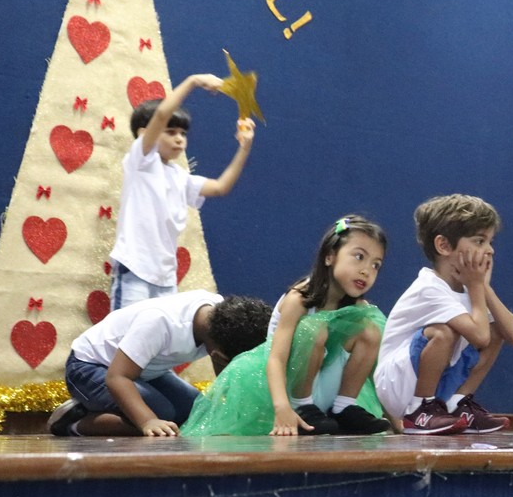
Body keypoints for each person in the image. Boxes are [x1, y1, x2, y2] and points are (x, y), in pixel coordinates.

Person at [181, 216, 391, 437]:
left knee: (370, 330)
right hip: (285, 389)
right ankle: (303, 407)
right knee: (314, 328)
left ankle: (343, 408)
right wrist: (282, 408)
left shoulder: (359, 308)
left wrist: (397, 418)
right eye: (359, 257)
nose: (366, 270)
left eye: (376, 265)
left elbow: (376, 369)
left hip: (327, 387)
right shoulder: (299, 299)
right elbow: (276, 358)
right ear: (329, 256)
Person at [374, 194, 513, 434]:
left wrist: (484, 288)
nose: (490, 250)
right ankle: (419, 411)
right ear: (444, 246)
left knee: (497, 330)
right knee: (443, 331)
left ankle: (457, 404)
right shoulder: (429, 288)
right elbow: (479, 337)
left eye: (490, 241)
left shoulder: (468, 288)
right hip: (396, 385)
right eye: (480, 241)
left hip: (431, 381)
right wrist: (476, 287)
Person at [109, 73, 255, 309]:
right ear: (144, 133)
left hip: (166, 278)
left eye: (183, 133)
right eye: (170, 132)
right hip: (134, 268)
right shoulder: (141, 161)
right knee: (126, 329)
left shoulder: (180, 177)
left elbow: (221, 187)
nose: (179, 139)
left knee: (159, 333)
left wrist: (244, 148)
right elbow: (161, 114)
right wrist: (194, 81)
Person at [46, 291, 271, 436]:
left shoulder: (219, 316)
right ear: (218, 354)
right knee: (162, 416)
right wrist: (148, 421)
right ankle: (73, 422)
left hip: (144, 371)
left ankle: (128, 411)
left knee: (196, 412)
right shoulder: (159, 322)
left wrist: (234, 407)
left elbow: (228, 374)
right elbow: (117, 378)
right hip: (90, 368)